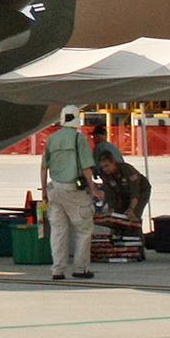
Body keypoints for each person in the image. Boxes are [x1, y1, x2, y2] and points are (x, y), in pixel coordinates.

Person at [39, 106, 101, 281]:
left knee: (58, 230)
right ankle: (80, 268)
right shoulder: (78, 139)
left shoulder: (51, 139)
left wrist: (44, 190)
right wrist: (94, 189)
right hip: (73, 189)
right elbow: (86, 167)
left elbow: (44, 167)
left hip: (54, 189)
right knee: (83, 229)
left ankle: (57, 270)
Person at [96, 154, 150, 224]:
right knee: (118, 215)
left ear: (113, 163)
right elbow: (109, 194)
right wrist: (111, 209)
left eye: (107, 166)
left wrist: (131, 209)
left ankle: (136, 233)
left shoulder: (127, 170)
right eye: (102, 167)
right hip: (123, 191)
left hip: (141, 190)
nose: (105, 169)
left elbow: (135, 193)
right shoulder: (104, 174)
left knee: (133, 215)